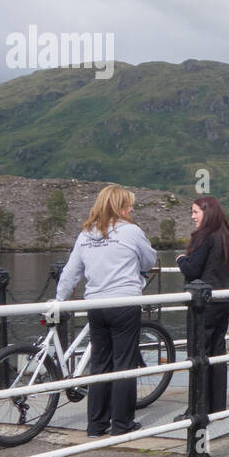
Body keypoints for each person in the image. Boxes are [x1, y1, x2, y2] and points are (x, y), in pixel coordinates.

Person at [55, 185, 157, 437]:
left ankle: (96, 425)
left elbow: (70, 273)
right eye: (129, 204)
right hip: (124, 303)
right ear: (119, 206)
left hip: (95, 306)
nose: (132, 208)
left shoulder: (86, 234)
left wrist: (58, 301)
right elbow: (150, 260)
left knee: (100, 364)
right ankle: (122, 425)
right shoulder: (131, 231)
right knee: (124, 364)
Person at [177, 196, 229, 413]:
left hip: (204, 304)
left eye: (195, 212)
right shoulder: (227, 236)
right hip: (223, 300)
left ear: (207, 211)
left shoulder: (205, 236)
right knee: (217, 353)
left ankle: (197, 408)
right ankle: (216, 405)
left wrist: (181, 260)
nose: (192, 217)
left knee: (198, 354)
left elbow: (193, 269)